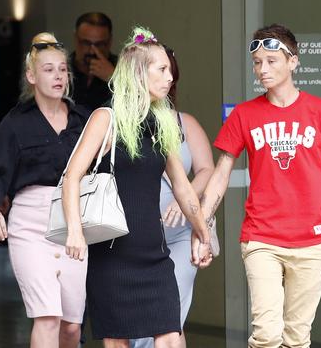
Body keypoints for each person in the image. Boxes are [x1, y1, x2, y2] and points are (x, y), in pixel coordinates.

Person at [62, 26, 213, 348]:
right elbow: (72, 176)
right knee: (117, 341)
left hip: (154, 254)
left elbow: (184, 188)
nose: (169, 77)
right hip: (113, 255)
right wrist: (74, 230)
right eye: (161, 70)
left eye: (169, 70)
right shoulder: (107, 118)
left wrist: (202, 232)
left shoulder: (162, 124)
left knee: (171, 335)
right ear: (138, 73)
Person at [199, 23, 321, 348]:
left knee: (297, 337)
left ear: (293, 61)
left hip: (312, 241)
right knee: (266, 335)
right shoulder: (244, 114)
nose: (262, 69)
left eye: (271, 61)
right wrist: (202, 226)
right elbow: (221, 173)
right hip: (261, 237)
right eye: (257, 63)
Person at [0, 32, 89, 348]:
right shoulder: (15, 123)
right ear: (31, 76)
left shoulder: (82, 119)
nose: (57, 75)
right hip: (29, 224)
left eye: (61, 69)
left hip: (73, 223)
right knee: (47, 316)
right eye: (47, 69)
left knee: (71, 326)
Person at [130, 46, 215, 348]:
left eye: (171, 76)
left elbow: (207, 168)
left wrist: (185, 199)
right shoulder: (121, 123)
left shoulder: (184, 123)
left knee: (168, 312)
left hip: (180, 235)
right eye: (161, 72)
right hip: (137, 234)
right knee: (145, 317)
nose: (167, 82)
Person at [71, 12, 117, 111]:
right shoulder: (63, 68)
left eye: (100, 44)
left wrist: (114, 77)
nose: (92, 51)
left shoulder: (122, 68)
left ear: (110, 42)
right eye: (86, 43)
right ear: (76, 39)